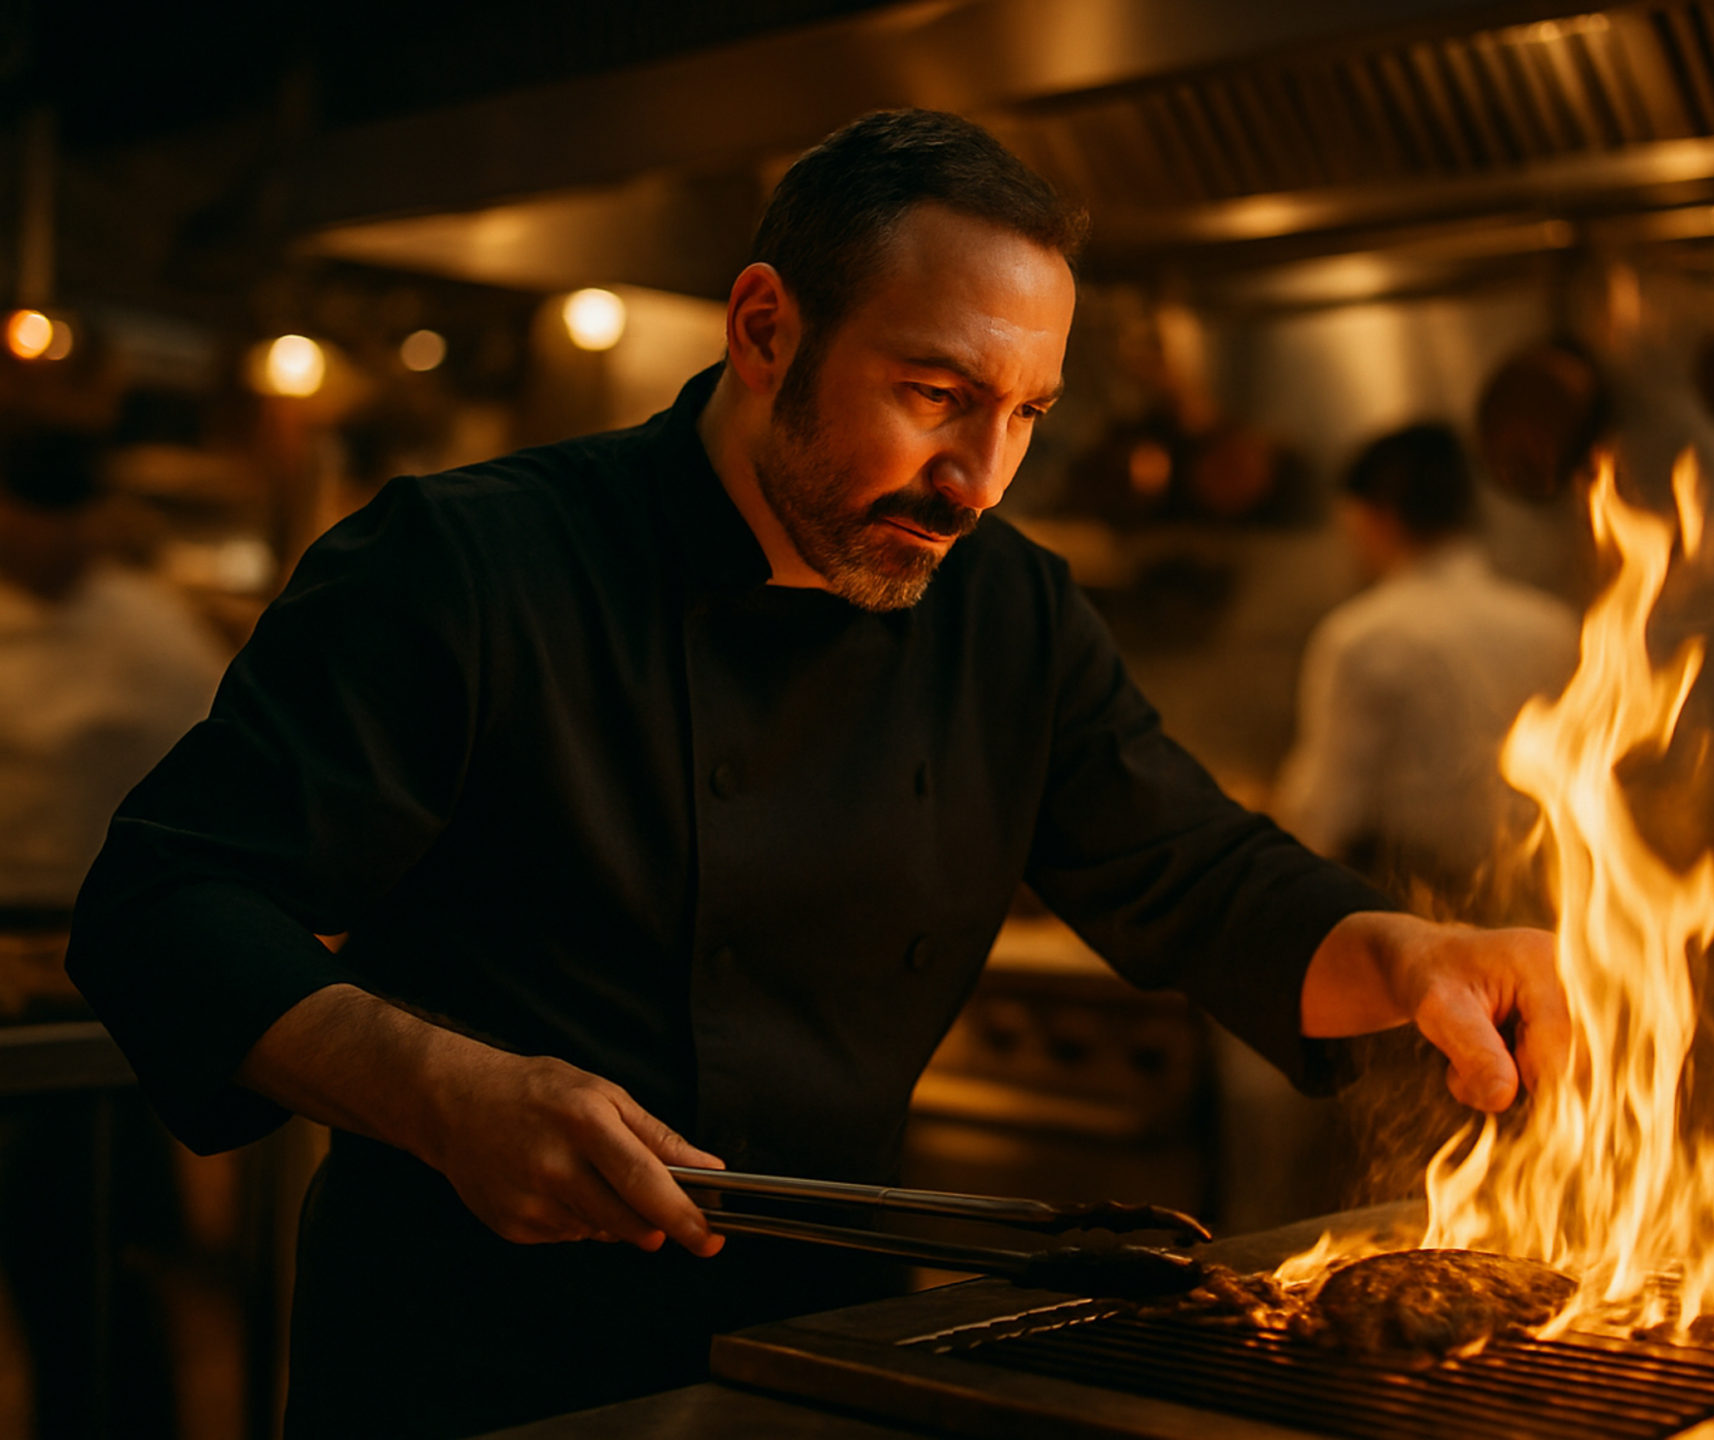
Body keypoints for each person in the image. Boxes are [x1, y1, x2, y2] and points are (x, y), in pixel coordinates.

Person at [67, 111, 1567, 1438]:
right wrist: (444, 1091)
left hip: (823, 1362)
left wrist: (1414, 953)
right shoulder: (468, 564)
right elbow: (164, 900)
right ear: (766, 328)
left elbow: (1204, 878)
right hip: (469, 1374)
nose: (980, 479)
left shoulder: (1011, 613)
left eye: (1026, 416)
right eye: (935, 393)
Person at [0, 429, 224, 1439]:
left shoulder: (151, 624)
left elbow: (217, 776)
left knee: (100, 1255)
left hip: (112, 955)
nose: (58, 534)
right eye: (36, 507)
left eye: (74, 508)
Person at [1276, 423, 1578, 910]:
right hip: (1545, 907)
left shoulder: (1363, 637)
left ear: (1379, 516)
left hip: (1416, 913)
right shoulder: (1554, 626)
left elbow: (1324, 817)